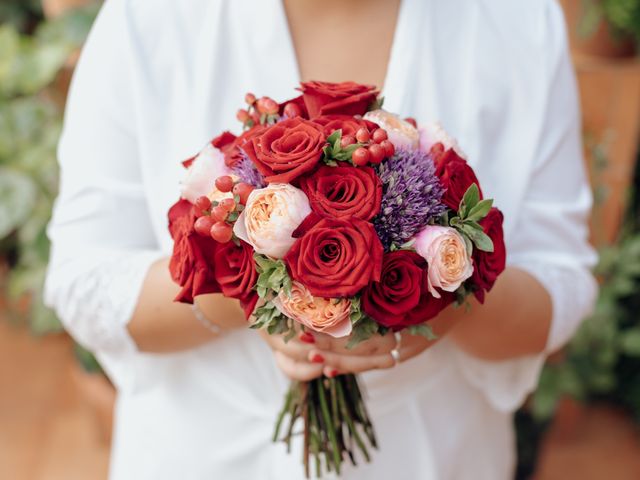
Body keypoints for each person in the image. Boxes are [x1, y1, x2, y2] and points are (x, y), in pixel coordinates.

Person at [44, 0, 597, 478]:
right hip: (203, 451)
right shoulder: (148, 19)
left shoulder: (518, 21)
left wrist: (442, 302)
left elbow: (563, 283)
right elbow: (82, 281)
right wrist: (255, 285)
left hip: (429, 455)